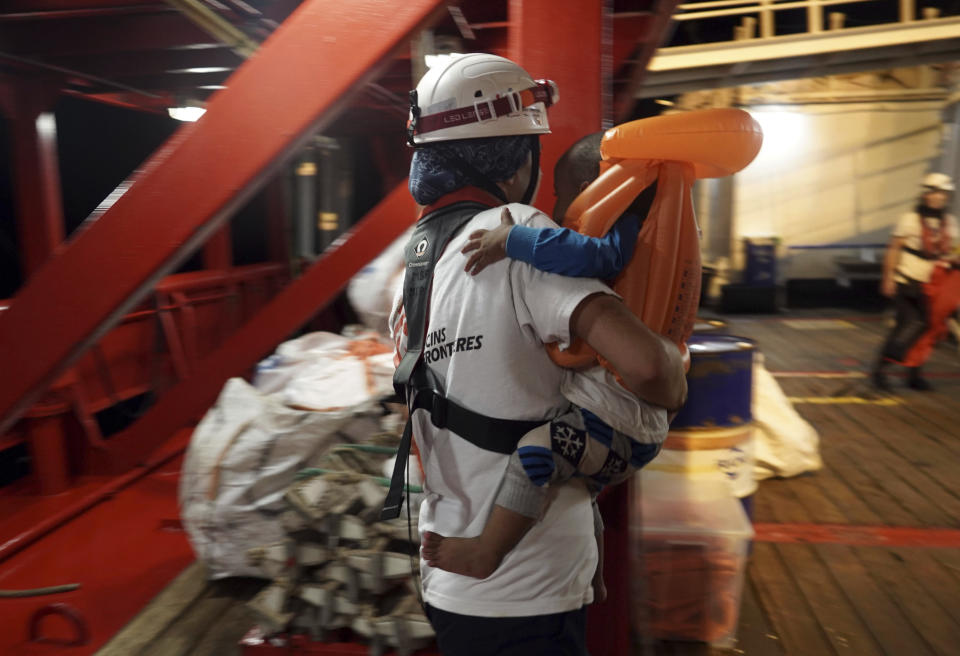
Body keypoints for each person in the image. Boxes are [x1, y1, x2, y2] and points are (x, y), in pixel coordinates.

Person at [388, 53, 687, 655]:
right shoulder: (515, 234)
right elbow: (654, 373)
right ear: (521, 155)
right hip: (528, 589)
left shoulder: (412, 267)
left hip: (448, 578)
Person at [420, 133, 666, 599]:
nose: (556, 202)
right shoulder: (627, 223)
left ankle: (485, 552)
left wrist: (515, 240)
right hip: (615, 417)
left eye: (565, 189)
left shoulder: (624, 226)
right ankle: (592, 575)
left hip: (621, 421)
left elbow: (598, 256)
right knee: (580, 487)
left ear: (600, 184)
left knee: (536, 453)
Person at [872, 172, 958, 391]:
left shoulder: (950, 223)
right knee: (910, 323)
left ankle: (913, 374)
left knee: (929, 328)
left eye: (942, 193)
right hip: (908, 280)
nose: (937, 197)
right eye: (933, 192)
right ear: (925, 195)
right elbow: (894, 249)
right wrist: (888, 277)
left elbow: (953, 251)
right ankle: (880, 370)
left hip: (934, 284)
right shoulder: (909, 220)